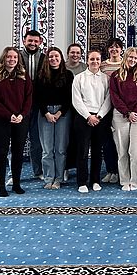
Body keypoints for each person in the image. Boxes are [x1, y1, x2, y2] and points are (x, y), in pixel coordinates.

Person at [0, 47, 32, 197]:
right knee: (1, 153)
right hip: (1, 120)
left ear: (18, 60)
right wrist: (8, 115)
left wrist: (22, 115)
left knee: (18, 153)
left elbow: (29, 98)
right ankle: (1, 186)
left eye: (15, 57)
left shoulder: (24, 76)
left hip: (20, 120)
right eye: (9, 57)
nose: (12, 60)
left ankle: (16, 184)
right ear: (4, 58)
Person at [72, 49, 112, 193]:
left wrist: (99, 116)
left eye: (97, 59)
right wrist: (88, 116)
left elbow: (108, 99)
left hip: (101, 118)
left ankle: (95, 180)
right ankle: (82, 182)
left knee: (97, 151)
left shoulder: (106, 79)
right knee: (82, 151)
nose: (95, 62)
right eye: (92, 59)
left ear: (101, 61)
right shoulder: (79, 78)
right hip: (83, 118)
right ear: (87, 60)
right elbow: (76, 100)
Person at [110, 47, 137, 191]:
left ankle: (134, 181)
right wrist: (127, 113)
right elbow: (114, 97)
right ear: (125, 57)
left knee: (136, 151)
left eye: (135, 58)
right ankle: (124, 180)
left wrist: (135, 113)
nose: (132, 60)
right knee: (122, 151)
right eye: (130, 57)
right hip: (121, 115)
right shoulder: (116, 75)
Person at [35, 47, 74, 190]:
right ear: (47, 59)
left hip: (62, 113)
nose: (53, 59)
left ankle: (58, 178)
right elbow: (37, 97)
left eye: (56, 56)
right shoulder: (41, 75)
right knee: (47, 149)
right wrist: (46, 113)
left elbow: (70, 97)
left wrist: (59, 113)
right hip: (45, 114)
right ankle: (48, 178)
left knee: (60, 149)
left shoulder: (68, 75)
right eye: (51, 56)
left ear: (61, 58)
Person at [20, 29, 45, 179]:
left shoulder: (45, 58)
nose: (33, 43)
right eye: (30, 40)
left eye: (36, 41)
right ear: (24, 41)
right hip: (20, 106)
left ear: (40, 42)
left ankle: (38, 171)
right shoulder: (16, 57)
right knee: (17, 141)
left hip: (37, 105)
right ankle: (13, 174)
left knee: (37, 141)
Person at [99, 37, 124, 184]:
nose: (114, 49)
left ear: (121, 49)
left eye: (117, 47)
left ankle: (121, 171)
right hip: (105, 107)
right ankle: (110, 170)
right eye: (111, 47)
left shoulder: (125, 64)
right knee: (107, 141)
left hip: (120, 107)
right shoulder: (102, 65)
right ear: (108, 49)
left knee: (120, 141)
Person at [64, 43, 86, 180]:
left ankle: (78, 166)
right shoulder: (63, 67)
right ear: (68, 53)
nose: (75, 55)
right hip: (66, 107)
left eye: (78, 53)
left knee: (79, 139)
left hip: (81, 108)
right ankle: (65, 167)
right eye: (72, 52)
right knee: (66, 138)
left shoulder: (85, 67)